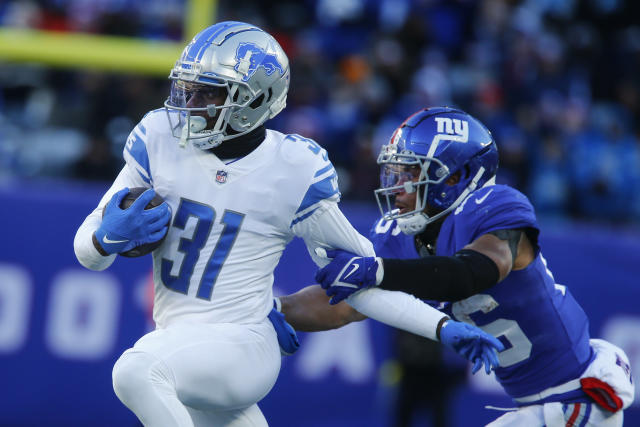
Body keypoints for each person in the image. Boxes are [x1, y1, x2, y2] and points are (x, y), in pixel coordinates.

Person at [73, 24, 503, 427]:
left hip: (243, 344)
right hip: (183, 346)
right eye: (186, 89)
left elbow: (362, 276)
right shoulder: (159, 135)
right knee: (154, 368)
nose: (189, 105)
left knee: (137, 370)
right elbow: (87, 251)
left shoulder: (293, 169)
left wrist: (440, 327)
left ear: (256, 100)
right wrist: (104, 238)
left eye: (207, 94)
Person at [314, 107, 635, 426]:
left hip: (576, 397)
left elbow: (471, 273)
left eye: (411, 173)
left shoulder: (494, 206)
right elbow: (344, 304)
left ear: (455, 177)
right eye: (396, 172)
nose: (398, 187)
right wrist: (272, 311)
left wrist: (379, 271)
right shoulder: (399, 236)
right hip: (539, 405)